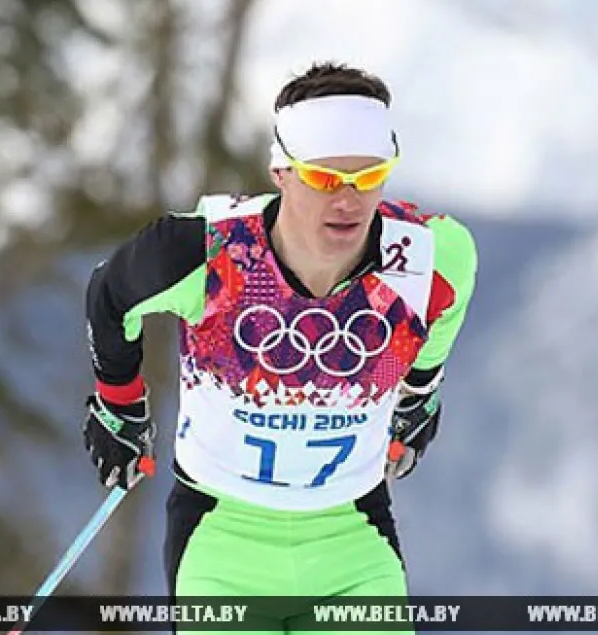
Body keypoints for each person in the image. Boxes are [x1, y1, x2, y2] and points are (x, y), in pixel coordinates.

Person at [81, 61, 478, 632]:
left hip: (352, 541)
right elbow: (110, 293)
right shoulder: (204, 252)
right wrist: (119, 405)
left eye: (368, 177)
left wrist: (420, 392)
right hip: (223, 544)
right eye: (323, 177)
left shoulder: (432, 256)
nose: (347, 199)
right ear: (282, 171)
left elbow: (446, 312)